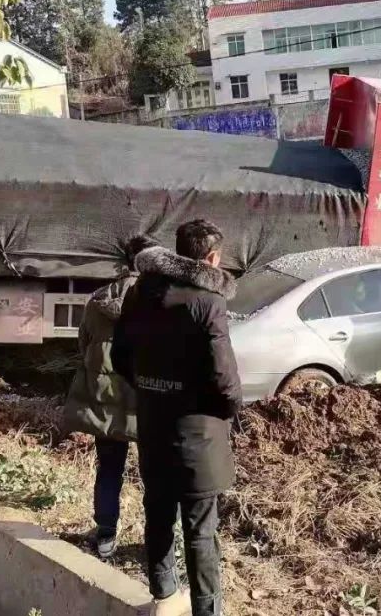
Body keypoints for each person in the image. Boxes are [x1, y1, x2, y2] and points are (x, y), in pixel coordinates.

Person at [112, 219, 241, 616]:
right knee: (201, 530)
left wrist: (152, 389)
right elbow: (225, 383)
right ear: (213, 258)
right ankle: (208, 610)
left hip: (153, 423)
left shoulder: (140, 294)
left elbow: (119, 357)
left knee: (158, 513)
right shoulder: (208, 303)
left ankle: (164, 592)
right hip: (197, 432)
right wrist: (225, 412)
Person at [61, 234, 159, 559]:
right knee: (155, 478)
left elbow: (84, 345)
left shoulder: (97, 301)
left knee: (108, 470)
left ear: (125, 263)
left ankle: (105, 536)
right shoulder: (164, 303)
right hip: (148, 406)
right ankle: (158, 546)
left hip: (105, 404)